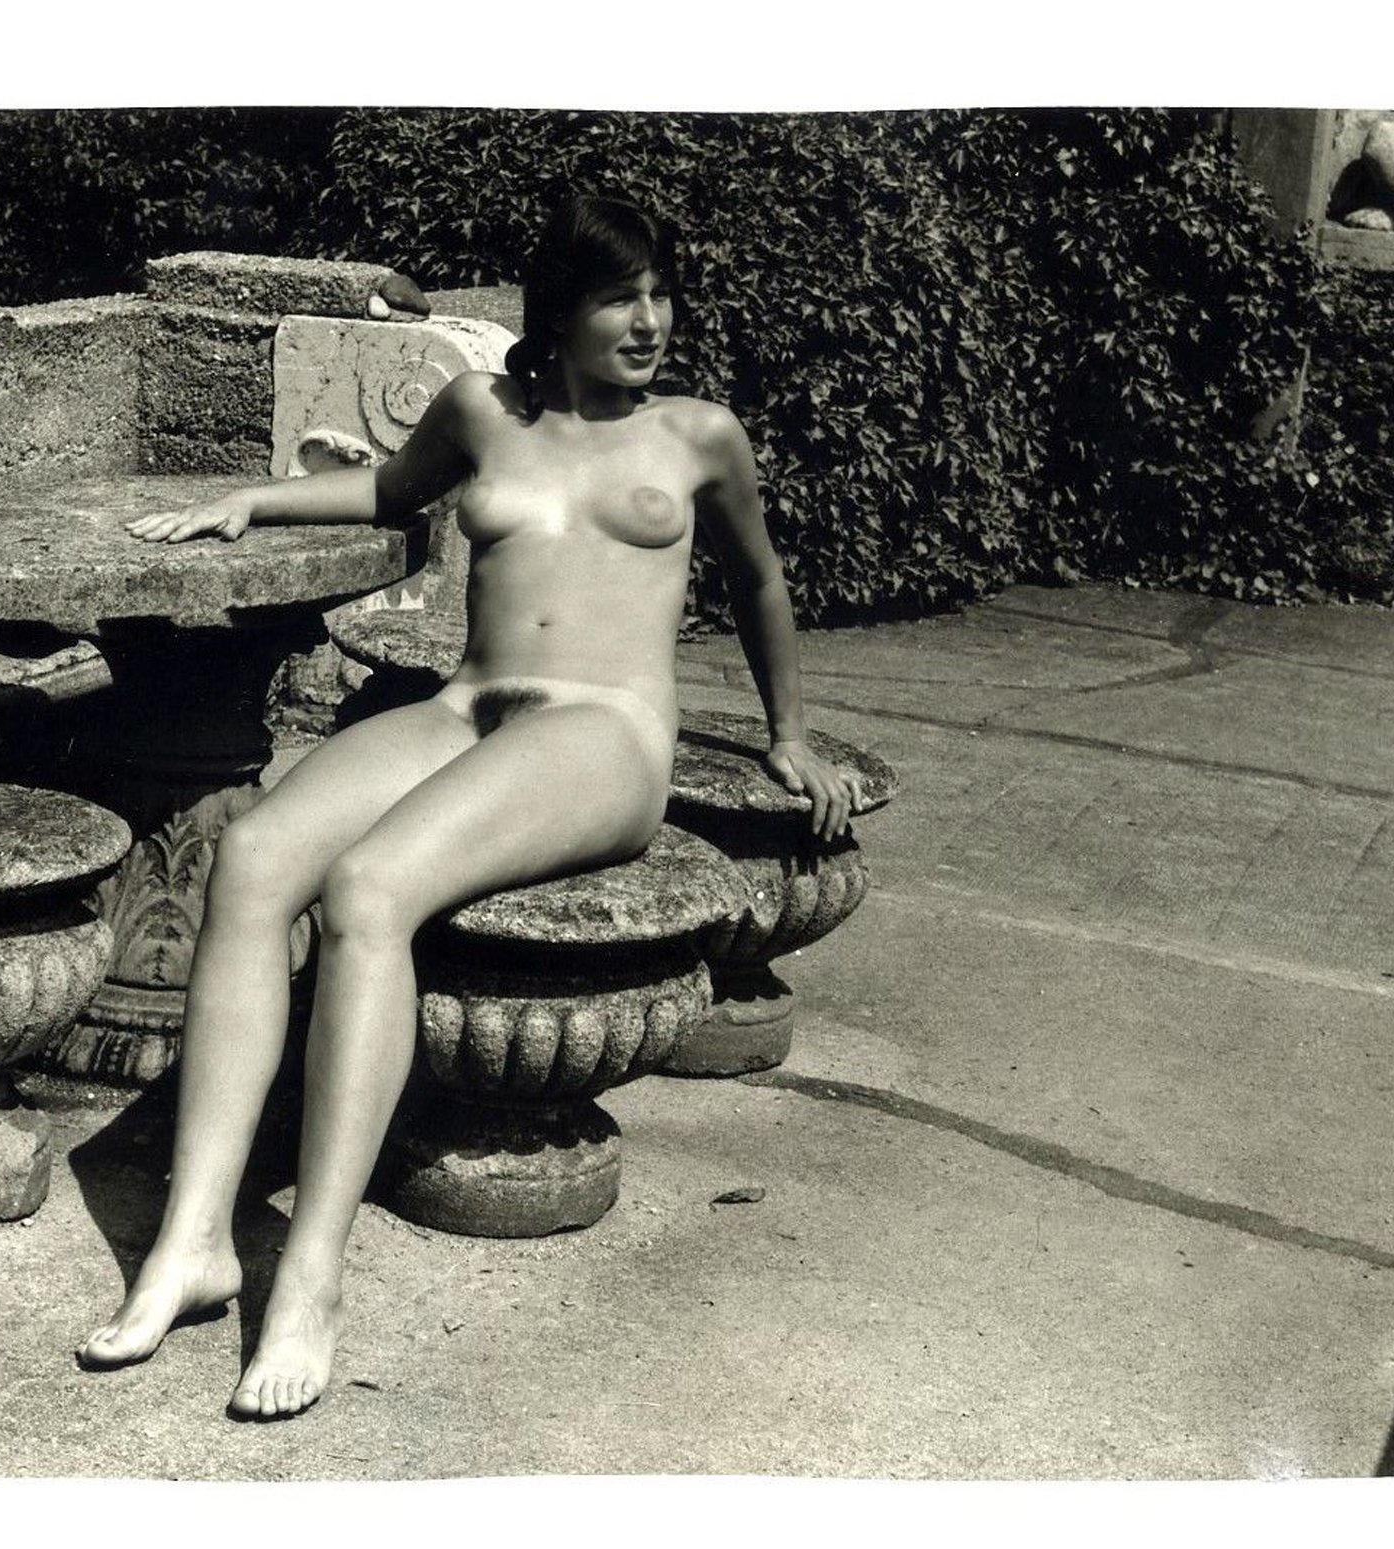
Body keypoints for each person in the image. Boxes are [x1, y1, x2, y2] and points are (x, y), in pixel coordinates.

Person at [76, 193, 865, 1417]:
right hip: (468, 706)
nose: (647, 321)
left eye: (659, 294)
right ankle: (195, 1239)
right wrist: (254, 498)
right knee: (257, 855)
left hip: (602, 733)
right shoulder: (482, 411)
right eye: (616, 298)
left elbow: (760, 583)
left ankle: (312, 1274)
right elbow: (388, 491)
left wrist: (787, 736)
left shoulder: (698, 435)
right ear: (559, 310)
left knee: (368, 888)